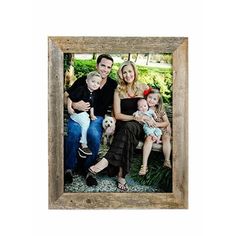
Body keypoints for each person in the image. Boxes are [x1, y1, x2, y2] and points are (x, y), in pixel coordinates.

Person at [88, 61, 151, 191]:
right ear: (121, 75)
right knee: (127, 132)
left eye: (130, 71)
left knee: (129, 129)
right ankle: (122, 176)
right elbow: (117, 115)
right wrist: (133, 117)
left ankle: (105, 161)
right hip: (124, 124)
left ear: (135, 72)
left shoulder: (143, 87)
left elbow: (155, 105)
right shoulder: (118, 90)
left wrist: (156, 122)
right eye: (124, 72)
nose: (128, 75)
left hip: (139, 126)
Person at [64, 54, 117, 186]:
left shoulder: (112, 84)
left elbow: (118, 104)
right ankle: (69, 169)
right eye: (103, 65)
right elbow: (66, 96)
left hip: (97, 117)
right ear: (97, 65)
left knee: (93, 134)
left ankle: (89, 171)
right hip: (78, 114)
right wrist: (74, 105)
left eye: (108, 67)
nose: (105, 69)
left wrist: (114, 122)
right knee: (74, 132)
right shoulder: (85, 79)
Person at [67, 71, 102, 156]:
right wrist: (69, 108)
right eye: (93, 81)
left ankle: (81, 149)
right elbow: (70, 97)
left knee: (87, 121)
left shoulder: (92, 93)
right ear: (87, 81)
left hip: (83, 115)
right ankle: (83, 144)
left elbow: (92, 106)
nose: (95, 84)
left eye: (97, 83)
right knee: (85, 122)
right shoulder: (81, 89)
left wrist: (92, 115)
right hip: (75, 114)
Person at [140, 88, 172, 176]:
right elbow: (140, 117)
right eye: (150, 97)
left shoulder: (160, 110)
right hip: (150, 131)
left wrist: (157, 124)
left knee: (166, 138)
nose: (151, 100)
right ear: (146, 97)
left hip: (161, 129)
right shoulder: (144, 108)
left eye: (154, 99)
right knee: (149, 139)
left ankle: (167, 161)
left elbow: (166, 122)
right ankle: (144, 165)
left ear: (157, 102)